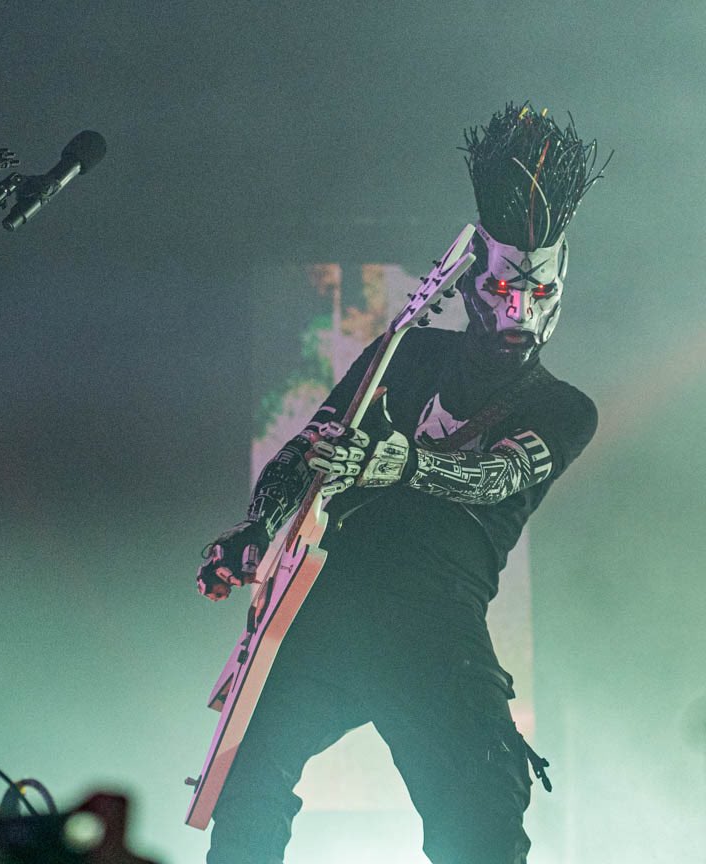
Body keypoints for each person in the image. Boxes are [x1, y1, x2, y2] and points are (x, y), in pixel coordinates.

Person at [196, 104, 608, 864]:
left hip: (434, 626)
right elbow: (306, 447)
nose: (517, 310)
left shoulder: (564, 408)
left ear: (561, 289)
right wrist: (256, 530)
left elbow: (498, 475)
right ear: (469, 284)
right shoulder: (408, 353)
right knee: (244, 783)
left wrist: (403, 464)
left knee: (484, 814)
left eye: (538, 295)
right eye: (501, 292)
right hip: (331, 604)